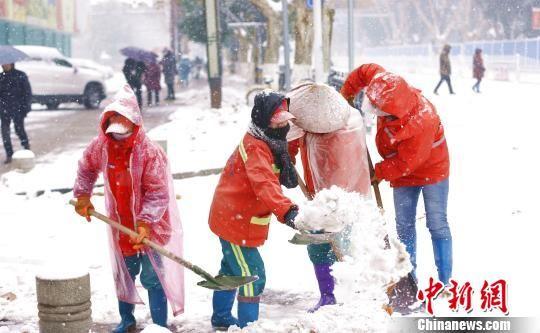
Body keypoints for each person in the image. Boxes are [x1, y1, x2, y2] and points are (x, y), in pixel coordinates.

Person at [73, 85, 184, 332]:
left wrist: (144, 223)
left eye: (122, 125)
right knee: (125, 274)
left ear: (134, 123)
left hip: (150, 227)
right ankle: (127, 319)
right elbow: (86, 168)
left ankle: (158, 324)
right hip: (120, 225)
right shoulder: (101, 145)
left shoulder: (149, 152)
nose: (117, 133)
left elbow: (157, 193)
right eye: (112, 125)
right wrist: (83, 196)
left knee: (153, 277)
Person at [341, 63, 452, 289]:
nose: (373, 111)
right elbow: (364, 71)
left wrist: (378, 172)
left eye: (377, 109)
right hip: (402, 171)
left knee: (437, 223)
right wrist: (347, 94)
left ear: (393, 109)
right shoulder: (385, 84)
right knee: (404, 226)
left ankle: (445, 281)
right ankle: (408, 279)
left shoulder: (423, 120)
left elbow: (406, 162)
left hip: (432, 170)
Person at [208, 91, 299, 329]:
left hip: (237, 216)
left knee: (230, 269)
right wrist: (287, 210)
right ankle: (250, 327)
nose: (283, 124)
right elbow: (264, 183)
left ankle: (221, 318)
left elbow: (271, 178)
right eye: (277, 120)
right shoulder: (257, 147)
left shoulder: (270, 142)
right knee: (252, 275)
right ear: (263, 120)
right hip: (235, 220)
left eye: (284, 120)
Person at [287, 83, 371, 313]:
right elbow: (292, 137)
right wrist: (287, 157)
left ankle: (331, 294)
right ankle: (339, 292)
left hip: (333, 197)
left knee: (323, 242)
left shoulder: (328, 137)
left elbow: (331, 180)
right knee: (339, 241)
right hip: (349, 193)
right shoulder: (351, 118)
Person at [0, 63, 32, 164]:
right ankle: (9, 154)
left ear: (12, 63)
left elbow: (27, 92)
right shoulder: (1, 77)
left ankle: (26, 149)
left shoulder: (21, 75)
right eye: (3, 64)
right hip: (4, 110)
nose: (4, 65)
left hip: (18, 109)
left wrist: (26, 107)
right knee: (5, 133)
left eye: (6, 63)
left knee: (19, 130)